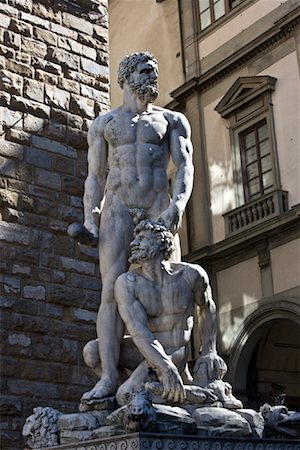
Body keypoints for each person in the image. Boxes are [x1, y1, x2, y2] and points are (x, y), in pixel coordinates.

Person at [81, 52, 194, 401]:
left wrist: (178, 206)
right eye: (146, 71)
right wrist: (90, 215)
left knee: (169, 288)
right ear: (127, 77)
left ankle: (176, 367)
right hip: (117, 209)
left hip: (158, 208)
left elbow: (185, 167)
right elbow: (95, 175)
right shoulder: (105, 123)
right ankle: (109, 377)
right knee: (109, 292)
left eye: (155, 71)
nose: (153, 77)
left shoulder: (172, 120)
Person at [112, 220, 227, 404]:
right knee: (92, 352)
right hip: (145, 348)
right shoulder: (127, 282)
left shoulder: (191, 275)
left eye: (141, 239)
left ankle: (159, 392)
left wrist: (209, 350)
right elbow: (138, 331)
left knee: (125, 394)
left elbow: (207, 308)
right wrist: (165, 368)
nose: (133, 244)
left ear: (160, 243)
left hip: (176, 349)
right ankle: (157, 390)